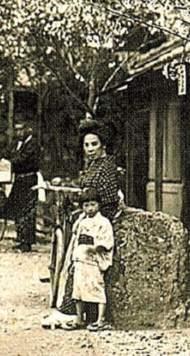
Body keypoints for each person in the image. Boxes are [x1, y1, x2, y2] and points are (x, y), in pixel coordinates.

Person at [43, 128, 124, 329]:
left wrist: (90, 218)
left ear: (103, 145)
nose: (89, 149)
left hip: (100, 221)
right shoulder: (94, 165)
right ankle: (74, 309)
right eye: (86, 145)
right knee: (76, 263)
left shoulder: (107, 166)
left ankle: (79, 313)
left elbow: (108, 200)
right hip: (89, 217)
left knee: (86, 265)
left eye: (94, 144)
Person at [68, 190, 114, 331]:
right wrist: (73, 259)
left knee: (96, 288)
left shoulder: (103, 222)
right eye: (86, 205)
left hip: (93, 260)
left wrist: (95, 247)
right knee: (78, 290)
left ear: (98, 205)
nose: (89, 208)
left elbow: (106, 241)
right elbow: (76, 241)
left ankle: (101, 319)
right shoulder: (82, 223)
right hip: (81, 260)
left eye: (93, 204)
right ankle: (79, 318)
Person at [0, 124, 40, 252]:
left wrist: (9, 162)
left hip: (29, 179)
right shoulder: (18, 143)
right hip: (20, 179)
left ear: (29, 129)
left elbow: (23, 158)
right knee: (17, 208)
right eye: (16, 130)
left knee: (27, 211)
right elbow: (6, 152)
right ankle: (20, 238)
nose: (19, 132)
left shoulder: (33, 144)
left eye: (21, 129)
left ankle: (26, 243)